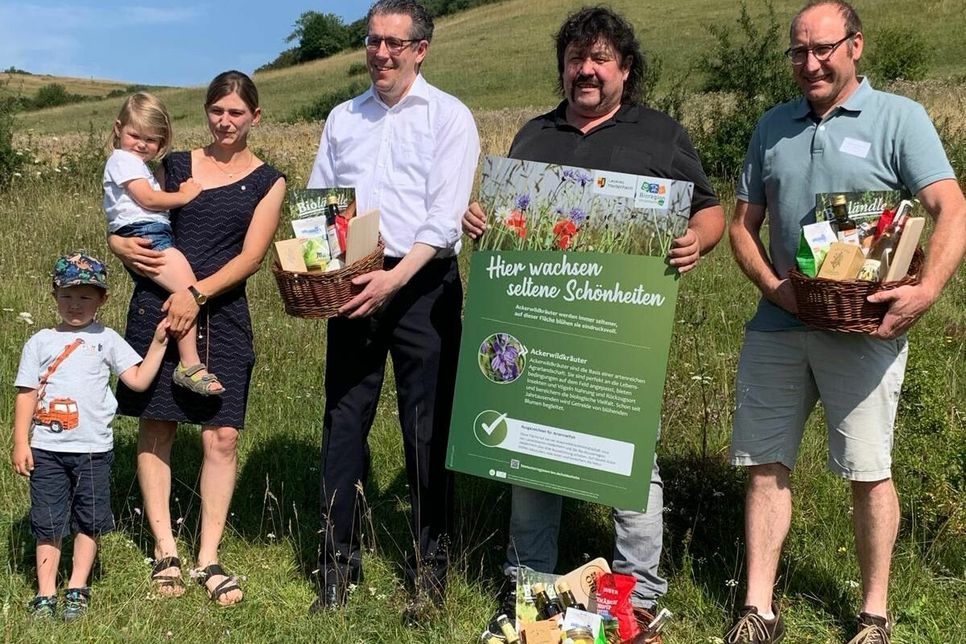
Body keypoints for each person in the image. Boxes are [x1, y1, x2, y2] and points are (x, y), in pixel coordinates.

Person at [462, 7, 725, 641]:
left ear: (624, 69)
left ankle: (637, 594)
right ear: (563, 67)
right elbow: (508, 223)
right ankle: (529, 585)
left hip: (619, 336)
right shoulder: (533, 135)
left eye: (600, 59)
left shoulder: (660, 136)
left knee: (632, 459)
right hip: (539, 328)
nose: (586, 70)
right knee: (527, 455)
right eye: (576, 59)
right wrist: (480, 223)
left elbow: (711, 210)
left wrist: (695, 240)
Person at [725, 2, 966, 643]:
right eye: (798, 52)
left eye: (823, 48)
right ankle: (758, 608)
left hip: (864, 331)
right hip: (777, 326)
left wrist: (927, 291)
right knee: (765, 463)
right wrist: (777, 290)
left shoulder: (900, 118)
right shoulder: (772, 126)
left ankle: (874, 613)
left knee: (867, 467)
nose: (810, 63)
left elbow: (951, 206)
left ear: (855, 45)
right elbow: (739, 227)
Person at [306, 0, 479, 622]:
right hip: (353, 282)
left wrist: (392, 280)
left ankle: (429, 571)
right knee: (344, 422)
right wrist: (327, 270)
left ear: (420, 51)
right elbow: (322, 202)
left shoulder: (449, 117)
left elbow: (442, 218)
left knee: (426, 430)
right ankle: (336, 568)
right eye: (374, 41)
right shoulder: (342, 118)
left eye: (394, 44)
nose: (381, 54)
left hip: (422, 285)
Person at [108, 71, 286, 606]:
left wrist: (197, 295)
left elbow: (251, 257)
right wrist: (117, 247)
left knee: (222, 435)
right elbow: (134, 217)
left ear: (255, 117)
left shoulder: (269, 181)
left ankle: (208, 555)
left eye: (236, 112)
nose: (225, 121)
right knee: (157, 424)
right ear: (206, 112)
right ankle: (166, 551)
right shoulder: (176, 164)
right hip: (159, 306)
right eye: (216, 110)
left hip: (223, 311)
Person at [11, 252, 168, 620]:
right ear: (54, 295)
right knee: (48, 521)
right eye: (67, 295)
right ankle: (46, 593)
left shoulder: (108, 339)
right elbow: (27, 393)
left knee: (91, 519)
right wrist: (21, 441)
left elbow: (139, 380)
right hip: (46, 450)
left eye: (85, 297)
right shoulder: (40, 341)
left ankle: (77, 588)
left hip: (95, 451)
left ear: (102, 299)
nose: (75, 305)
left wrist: (160, 343)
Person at [103, 92, 224, 396]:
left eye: (151, 139)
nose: (141, 144)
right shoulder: (123, 160)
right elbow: (148, 199)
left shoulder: (135, 163)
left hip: (149, 234)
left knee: (184, 292)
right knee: (189, 292)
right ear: (118, 128)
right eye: (134, 135)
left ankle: (186, 360)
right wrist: (185, 195)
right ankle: (189, 364)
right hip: (147, 235)